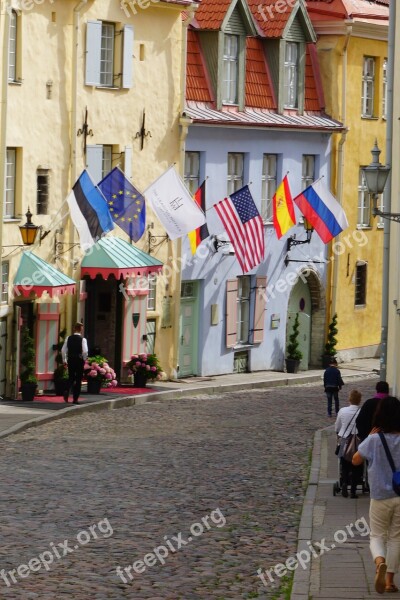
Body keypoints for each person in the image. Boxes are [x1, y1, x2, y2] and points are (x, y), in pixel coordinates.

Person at [353, 396, 400, 594]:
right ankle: (389, 581)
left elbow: (355, 460)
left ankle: (379, 561)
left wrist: (368, 438)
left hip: (380, 496)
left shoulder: (373, 439)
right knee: (396, 537)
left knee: (377, 535)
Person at [335, 389, 363, 498]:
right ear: (359, 400)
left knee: (344, 464)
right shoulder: (361, 411)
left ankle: (345, 483)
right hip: (357, 442)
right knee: (357, 465)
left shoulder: (342, 411)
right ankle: (353, 490)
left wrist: (338, 434)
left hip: (344, 440)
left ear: (349, 399)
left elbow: (337, 426)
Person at [61, 322, 88, 404]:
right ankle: (75, 399)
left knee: (71, 377)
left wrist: (64, 360)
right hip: (79, 360)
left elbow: (63, 350)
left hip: (71, 359)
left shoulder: (68, 338)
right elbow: (85, 351)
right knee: (78, 379)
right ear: (81, 329)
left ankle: (66, 389)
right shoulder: (83, 339)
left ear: (74, 328)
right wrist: (84, 358)